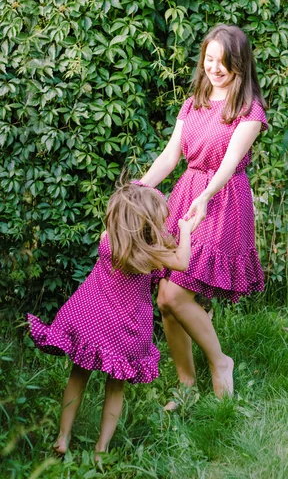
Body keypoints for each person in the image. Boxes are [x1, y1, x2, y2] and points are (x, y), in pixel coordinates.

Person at [140, 24, 268, 404]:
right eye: (208, 59)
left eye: (222, 62)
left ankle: (220, 362)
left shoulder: (249, 111)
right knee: (164, 298)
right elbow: (170, 156)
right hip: (187, 195)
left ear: (239, 64)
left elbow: (229, 164)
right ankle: (186, 385)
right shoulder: (193, 100)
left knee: (176, 293)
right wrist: (140, 188)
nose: (213, 68)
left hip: (222, 202)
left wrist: (207, 195)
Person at [26, 179, 195, 458]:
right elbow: (183, 262)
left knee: (78, 375)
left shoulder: (108, 240)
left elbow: (126, 211)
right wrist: (186, 230)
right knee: (115, 387)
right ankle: (101, 449)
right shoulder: (151, 253)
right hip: (126, 330)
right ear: (148, 222)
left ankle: (63, 437)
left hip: (91, 318)